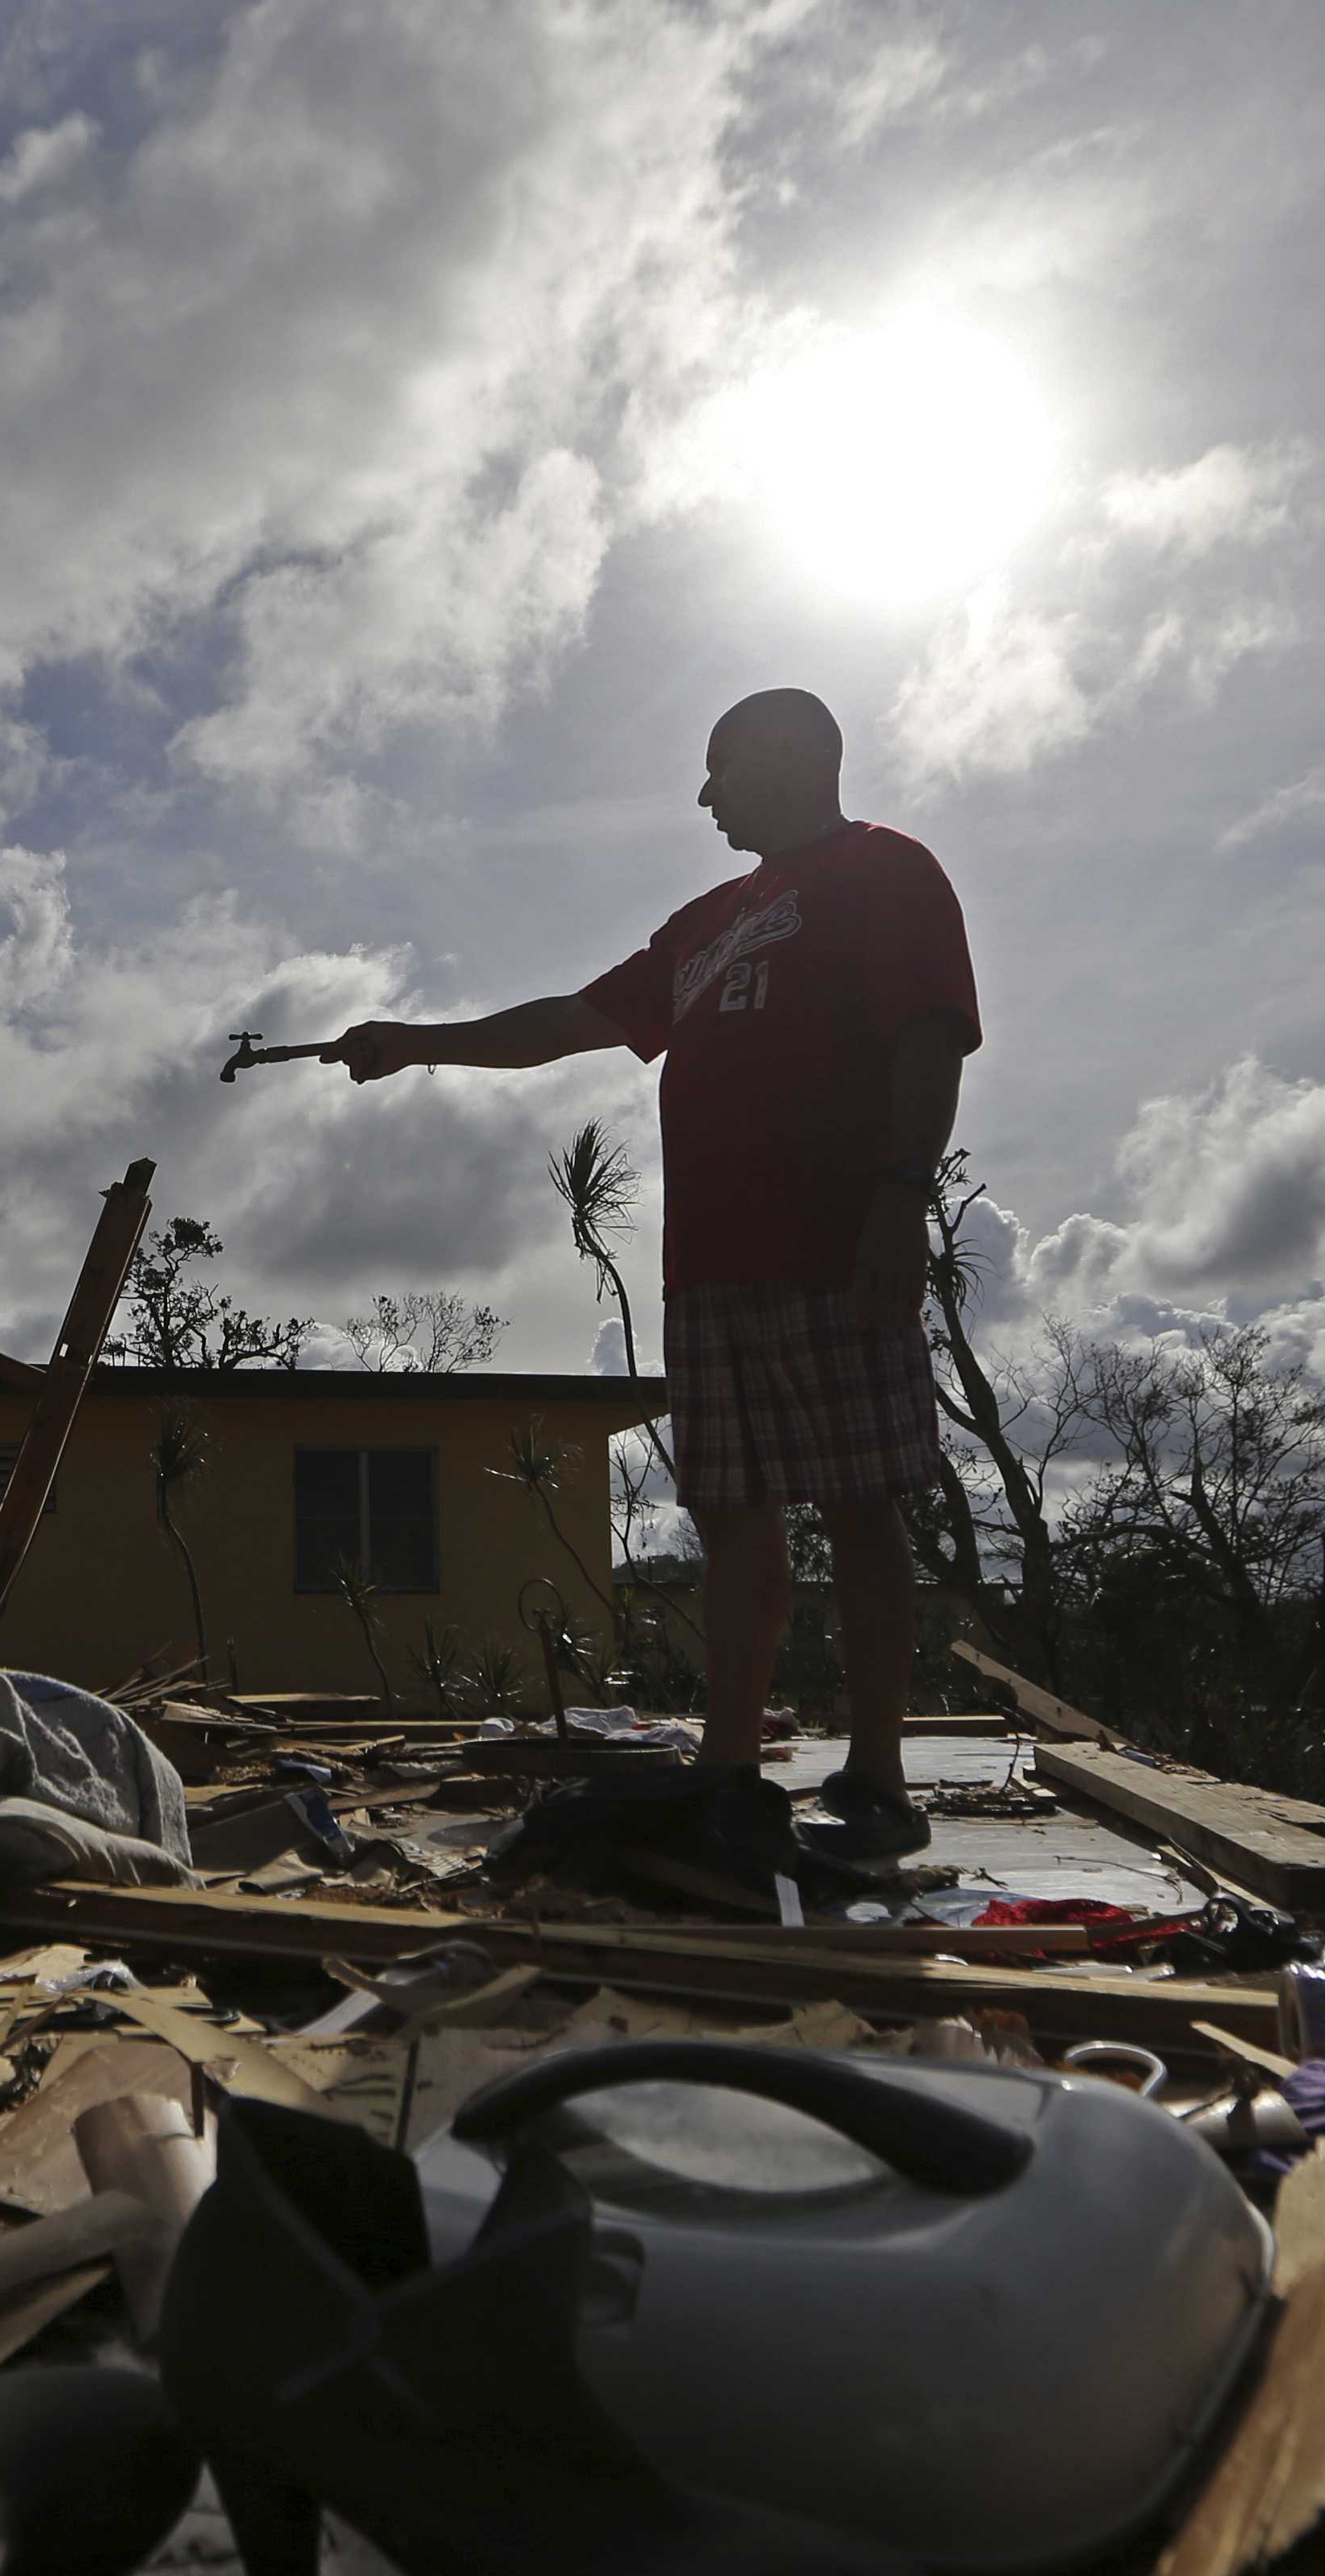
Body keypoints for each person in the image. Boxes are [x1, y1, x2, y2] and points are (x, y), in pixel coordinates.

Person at [324, 688, 977, 1860]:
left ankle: (877, 1777)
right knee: (731, 1514)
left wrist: (898, 1195)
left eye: (721, 768)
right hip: (711, 1268)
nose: (706, 794)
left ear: (791, 758)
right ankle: (732, 1769)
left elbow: (929, 1034)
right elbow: (574, 1018)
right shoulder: (706, 921)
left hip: (835, 1243)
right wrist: (421, 1040)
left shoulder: (890, 872)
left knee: (860, 1502)